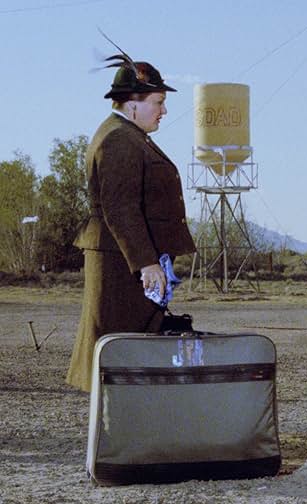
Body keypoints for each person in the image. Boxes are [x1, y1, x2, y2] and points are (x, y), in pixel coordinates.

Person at [66, 46, 196, 392]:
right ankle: (118, 439)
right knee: (118, 355)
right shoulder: (119, 140)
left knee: (127, 357)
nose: (164, 110)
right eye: (158, 101)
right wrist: (146, 263)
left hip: (123, 263)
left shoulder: (126, 135)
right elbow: (120, 207)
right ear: (132, 102)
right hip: (120, 266)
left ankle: (129, 435)